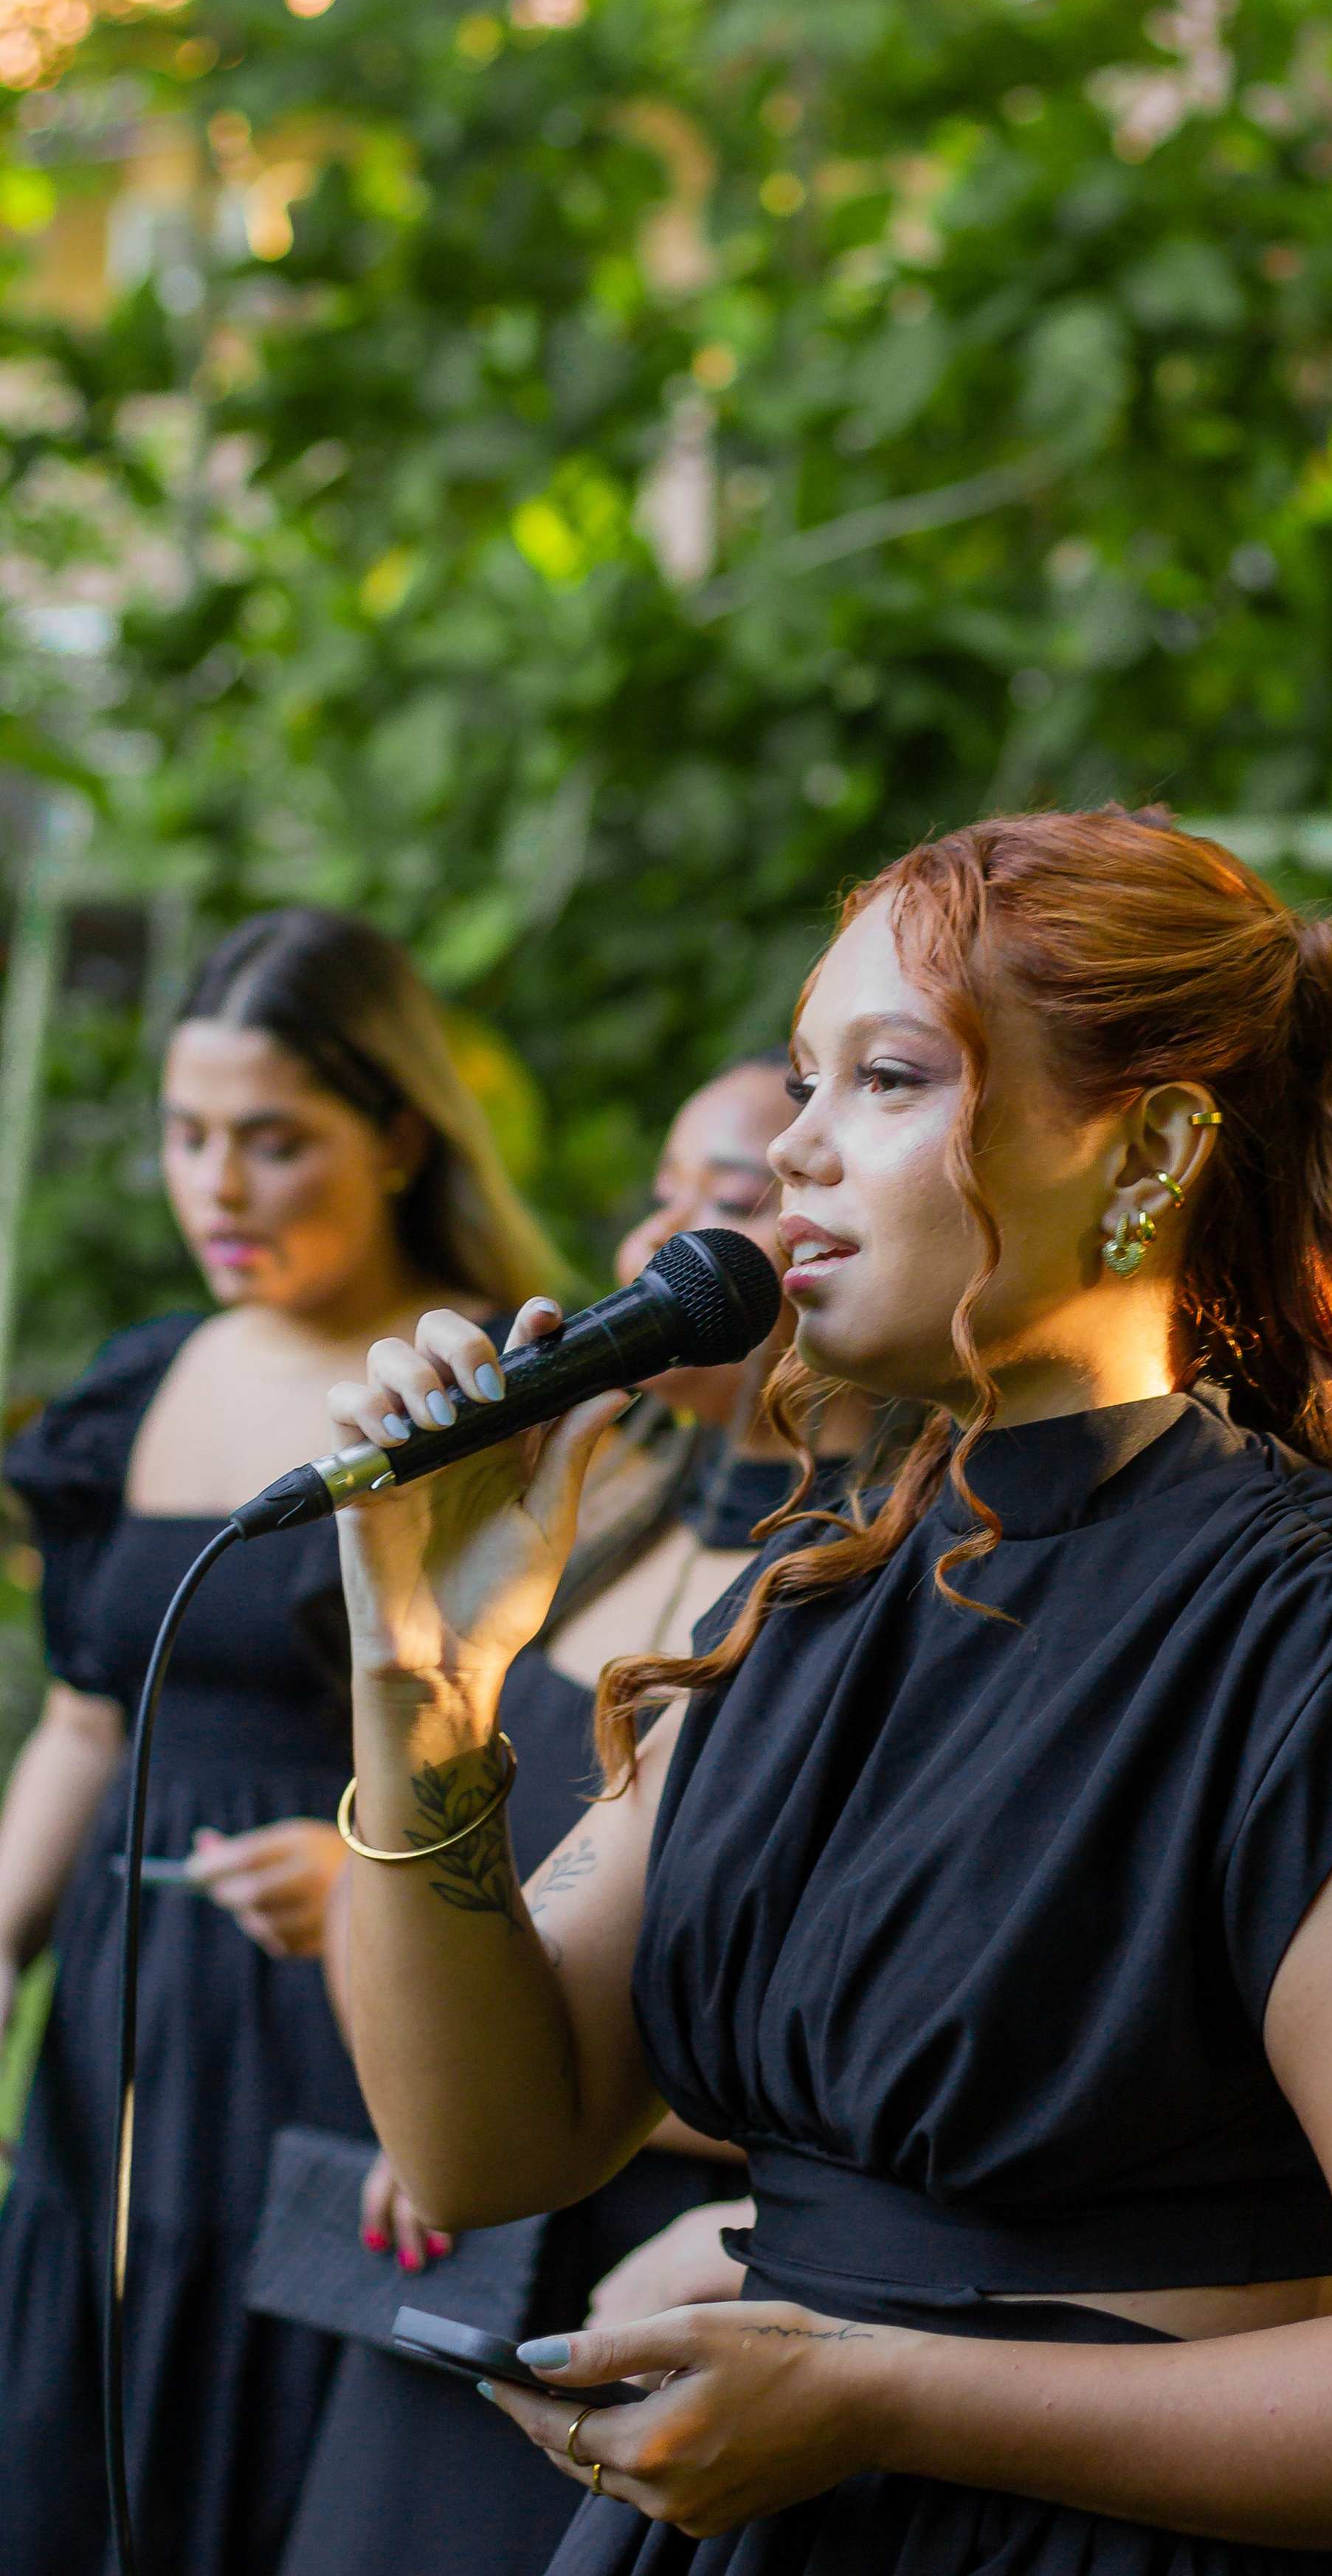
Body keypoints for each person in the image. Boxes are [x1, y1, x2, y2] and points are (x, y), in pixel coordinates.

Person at [320, 808, 1332, 2576]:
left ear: (1149, 1152)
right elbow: (487, 2139)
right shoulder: (812, 1595)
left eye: (884, 1080)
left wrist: (880, 2396)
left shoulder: (1321, 1646)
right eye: (803, 1083)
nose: (792, 1153)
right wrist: (424, 1679)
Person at [0, 907, 563, 2576]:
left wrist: (368, 1863)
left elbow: (557, 1732)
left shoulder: (473, 1392)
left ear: (396, 1137)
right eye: (188, 1137)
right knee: (72, 2435)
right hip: (121, 2025)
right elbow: (91, 1717)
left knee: (283, 2469)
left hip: (350, 2018)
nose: (218, 1189)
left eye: (272, 1141)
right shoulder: (144, 1383)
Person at [275, 1053, 888, 2576]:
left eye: (727, 1200)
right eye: (661, 1196)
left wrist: (567, 2065)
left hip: (672, 2267)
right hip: (456, 2240)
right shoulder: (593, 1507)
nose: (659, 1241)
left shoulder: (865, 1580)